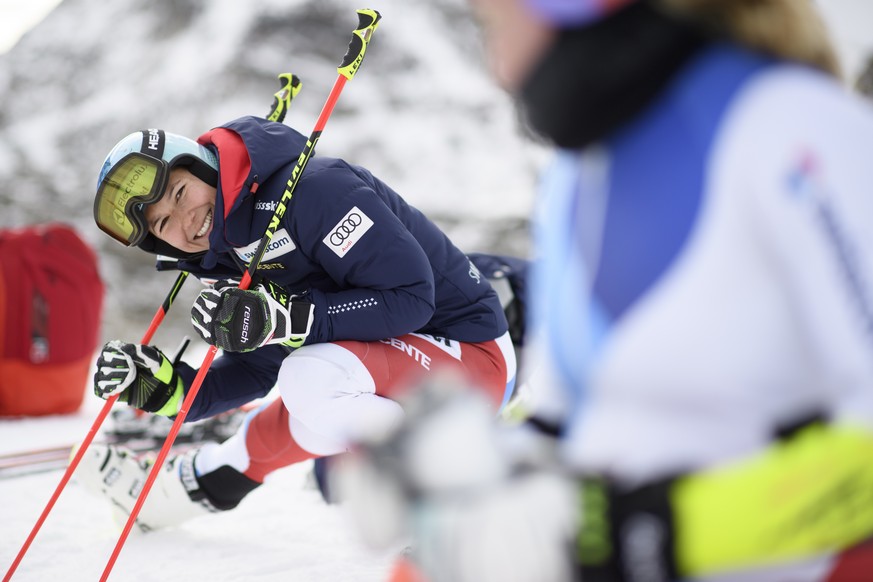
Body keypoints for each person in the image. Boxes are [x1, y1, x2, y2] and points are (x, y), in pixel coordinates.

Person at [337, 1, 873, 581]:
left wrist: (640, 531)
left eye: (490, 22)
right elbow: (582, 422)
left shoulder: (796, 131)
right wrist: (466, 475)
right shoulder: (578, 175)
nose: (498, 72)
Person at [77, 116, 520, 530]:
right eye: (163, 223)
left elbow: (411, 299)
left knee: (309, 379)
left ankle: (453, 502)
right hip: (392, 367)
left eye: (178, 193)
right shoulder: (230, 254)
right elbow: (255, 369)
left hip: (468, 356)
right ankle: (180, 490)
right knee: (298, 418)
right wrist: (171, 389)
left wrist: (288, 317)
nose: (185, 219)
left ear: (202, 167)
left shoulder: (315, 192)